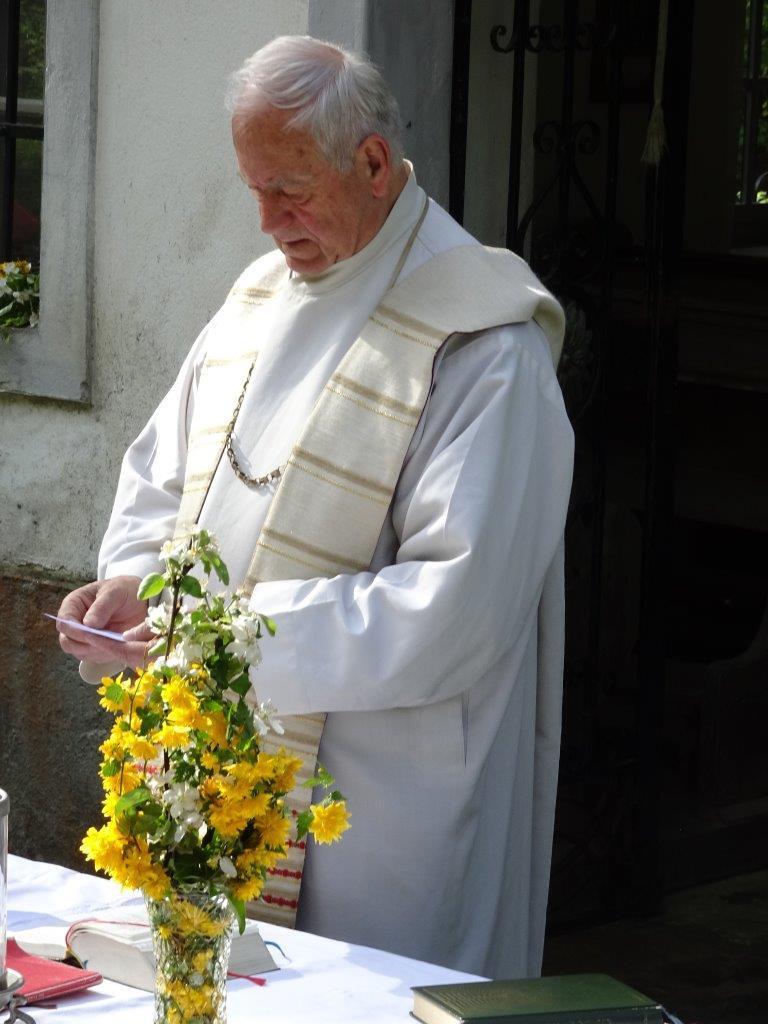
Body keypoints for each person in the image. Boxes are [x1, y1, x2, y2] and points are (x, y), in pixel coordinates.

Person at [57, 35, 573, 979]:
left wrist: (213, 639)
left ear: (373, 163)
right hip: (220, 765)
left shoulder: (485, 344)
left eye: (288, 190)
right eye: (254, 190)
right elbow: (165, 470)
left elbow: (455, 609)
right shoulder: (260, 298)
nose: (267, 222)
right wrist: (135, 583)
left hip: (377, 808)